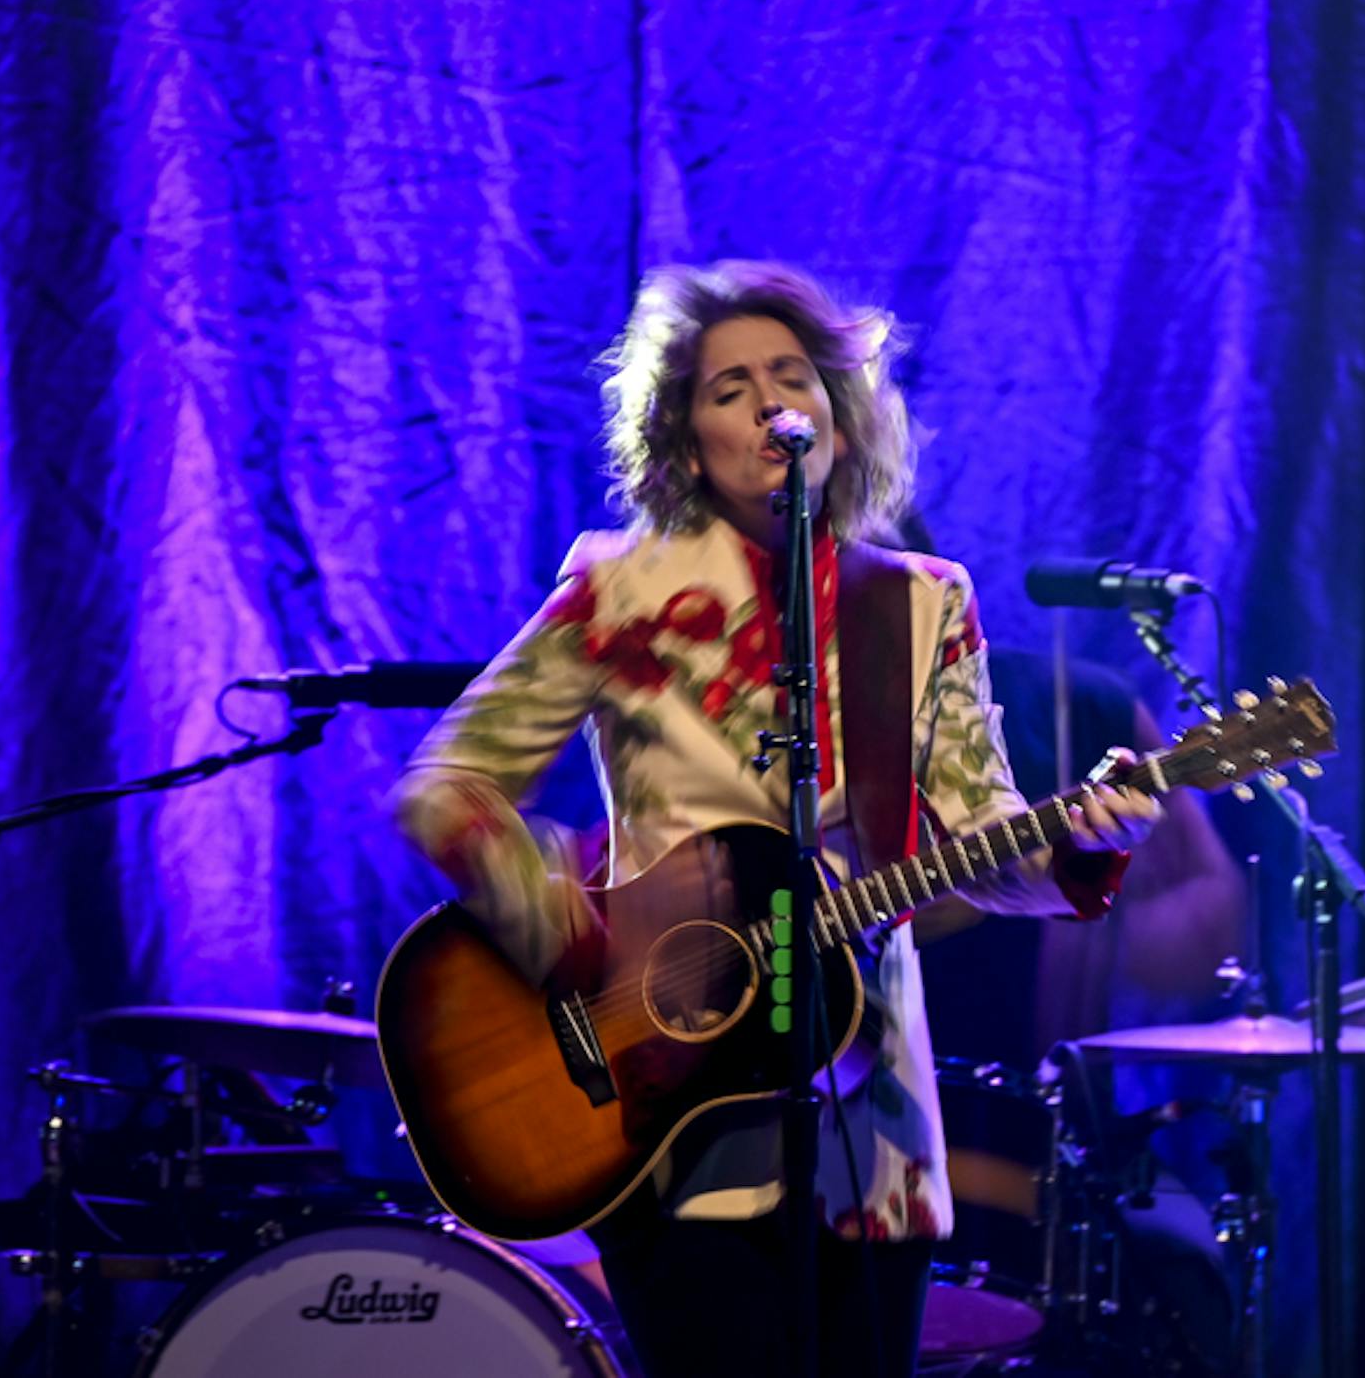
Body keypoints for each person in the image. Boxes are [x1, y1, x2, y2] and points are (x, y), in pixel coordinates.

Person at [392, 260, 1159, 1378]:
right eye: (729, 385)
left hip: (872, 1115)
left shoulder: (920, 599)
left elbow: (976, 836)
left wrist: (1087, 839)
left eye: (792, 375)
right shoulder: (620, 589)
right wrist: (580, 930)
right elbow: (447, 788)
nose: (768, 403)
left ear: (839, 415)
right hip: (662, 1093)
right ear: (683, 433)